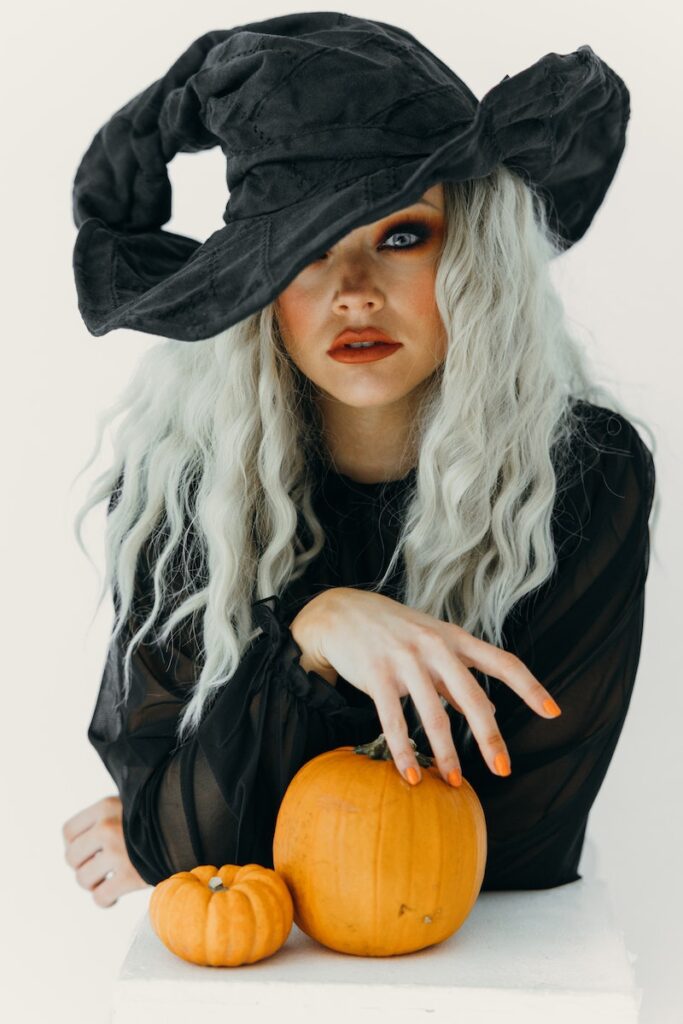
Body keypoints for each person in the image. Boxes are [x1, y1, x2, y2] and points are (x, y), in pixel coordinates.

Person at [62, 15, 658, 909]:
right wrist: (312, 633)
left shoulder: (581, 474)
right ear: (258, 291)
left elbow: (520, 843)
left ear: (473, 257)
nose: (351, 292)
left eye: (401, 235)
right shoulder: (185, 488)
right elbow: (177, 831)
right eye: (303, 250)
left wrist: (207, 799)